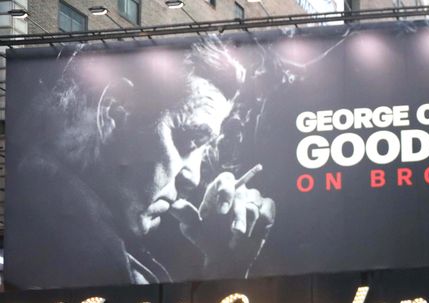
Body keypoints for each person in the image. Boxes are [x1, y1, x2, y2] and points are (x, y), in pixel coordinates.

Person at [11, 39, 275, 287]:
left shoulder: (105, 245)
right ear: (116, 109)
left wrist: (223, 270)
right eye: (188, 141)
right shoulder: (82, 256)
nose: (193, 177)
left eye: (203, 152)